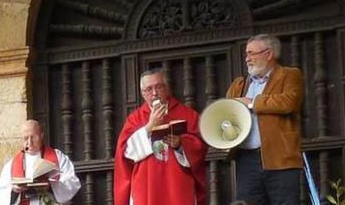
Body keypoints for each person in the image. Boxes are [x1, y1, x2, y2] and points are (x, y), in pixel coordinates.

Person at [227, 34, 304, 205]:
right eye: (246, 54)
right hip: (246, 160)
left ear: (268, 54)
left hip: (280, 159)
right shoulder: (238, 85)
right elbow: (226, 114)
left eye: (251, 53)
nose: (247, 59)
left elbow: (289, 102)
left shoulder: (289, 75)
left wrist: (253, 103)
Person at [114, 68, 207, 205]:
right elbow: (125, 154)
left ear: (167, 88)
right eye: (149, 89)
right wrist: (149, 127)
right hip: (146, 187)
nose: (154, 93)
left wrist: (181, 144)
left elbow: (200, 148)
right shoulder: (134, 119)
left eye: (159, 87)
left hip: (177, 185)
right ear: (142, 94)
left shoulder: (187, 114)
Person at [0, 119, 81, 204]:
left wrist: (51, 187)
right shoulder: (12, 164)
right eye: (25, 138)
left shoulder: (58, 157)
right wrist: (14, 190)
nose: (29, 142)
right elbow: (0, 192)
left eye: (33, 137)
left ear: (41, 136)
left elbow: (72, 182)